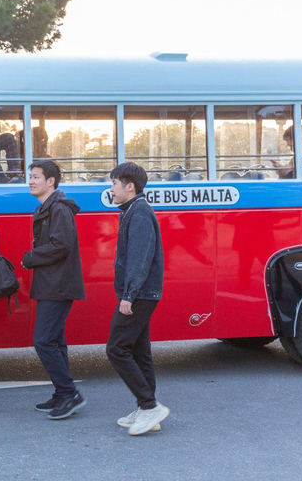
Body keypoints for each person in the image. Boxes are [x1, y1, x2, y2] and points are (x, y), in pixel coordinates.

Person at [105, 162, 169, 436]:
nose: (111, 188)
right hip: (141, 292)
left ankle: (149, 405)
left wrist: (128, 295)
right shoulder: (133, 210)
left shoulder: (139, 213)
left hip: (140, 293)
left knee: (116, 348)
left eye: (114, 184)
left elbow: (140, 260)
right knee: (140, 352)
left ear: (129, 186)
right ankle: (146, 410)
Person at [21, 160, 87, 420]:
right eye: (30, 176)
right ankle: (63, 394)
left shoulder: (58, 208)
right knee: (56, 341)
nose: (31, 181)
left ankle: (69, 393)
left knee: (43, 341)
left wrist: (31, 257)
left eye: (36, 176)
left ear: (51, 181)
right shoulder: (50, 207)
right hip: (53, 283)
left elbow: (62, 246)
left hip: (58, 285)